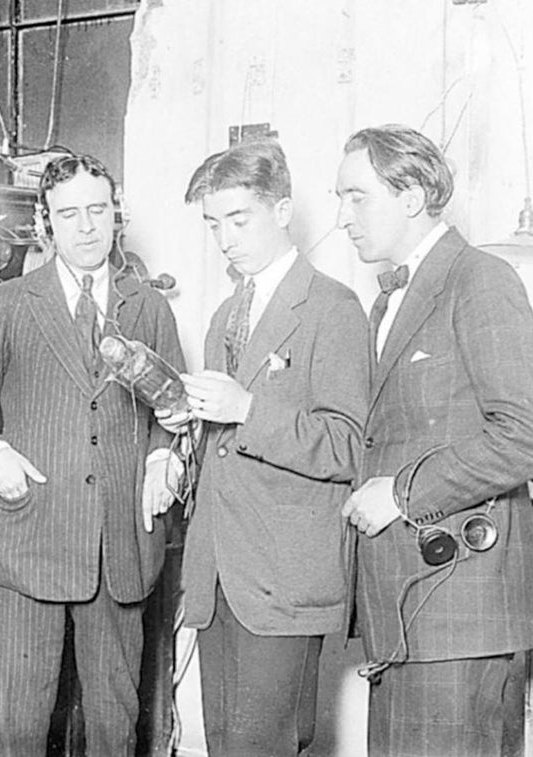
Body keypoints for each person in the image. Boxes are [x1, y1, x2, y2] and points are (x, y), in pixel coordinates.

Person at [0, 153, 185, 756]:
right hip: (27, 542)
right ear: (46, 223)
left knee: (115, 725)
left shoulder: (148, 306)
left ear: (116, 214)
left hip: (118, 548)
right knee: (22, 726)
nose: (86, 226)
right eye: (68, 214)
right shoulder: (9, 303)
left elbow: (172, 408)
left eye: (97, 210)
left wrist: (163, 457)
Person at [337, 124, 533, 756]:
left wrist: (400, 494)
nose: (343, 217)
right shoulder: (389, 302)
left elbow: (530, 435)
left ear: (411, 196)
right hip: (405, 610)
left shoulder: (479, 279)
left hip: (459, 614)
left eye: (357, 197)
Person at [170, 139, 371, 756]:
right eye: (213, 224)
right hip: (218, 577)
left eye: (239, 219)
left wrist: (247, 409)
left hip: (283, 583)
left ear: (282, 211)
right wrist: (186, 430)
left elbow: (348, 446)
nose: (225, 239)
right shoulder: (225, 315)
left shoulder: (333, 308)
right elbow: (224, 450)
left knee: (264, 747)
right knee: (225, 745)